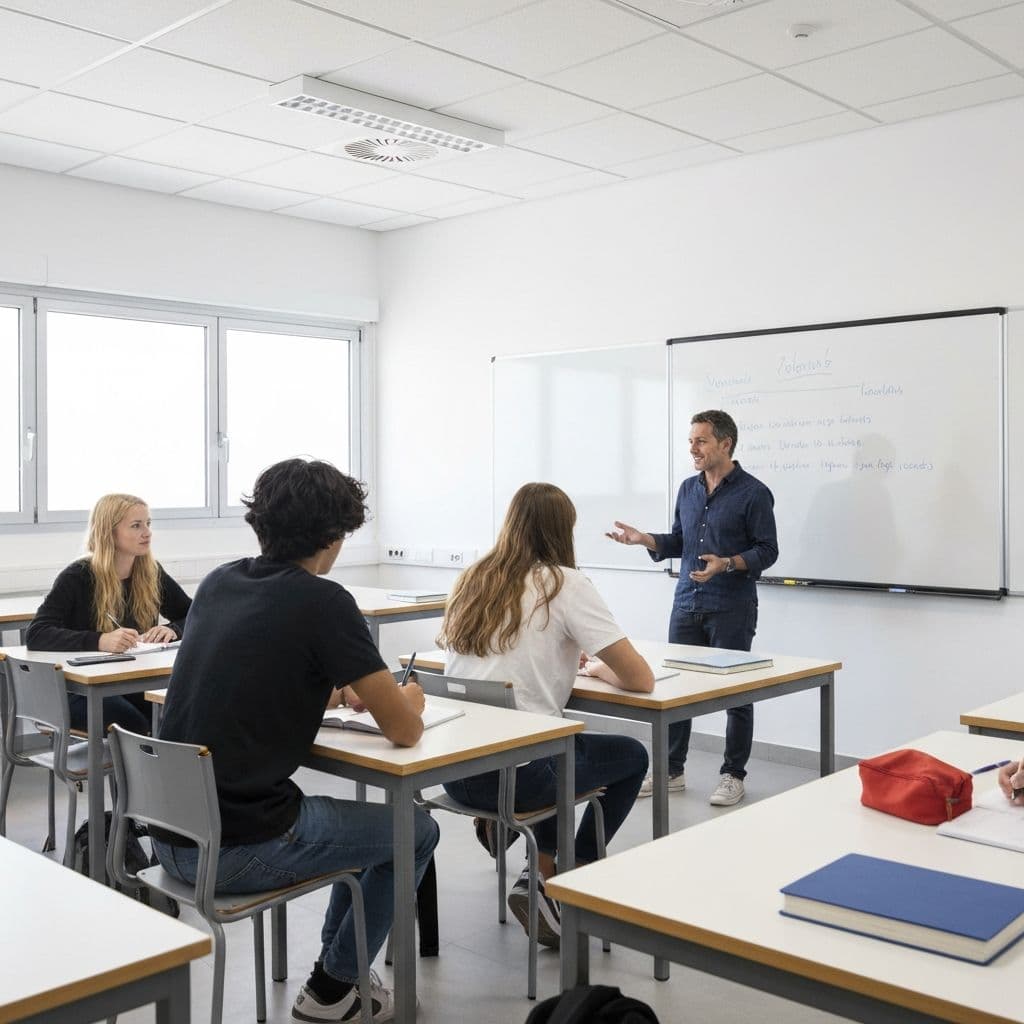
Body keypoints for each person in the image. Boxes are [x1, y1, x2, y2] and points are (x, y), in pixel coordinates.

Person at [152, 459, 438, 1024]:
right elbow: (403, 732)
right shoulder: (324, 601)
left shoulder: (219, 582)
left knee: (361, 835)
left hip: (171, 836)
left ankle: (337, 977)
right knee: (414, 830)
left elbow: (260, 680)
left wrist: (331, 696)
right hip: (236, 848)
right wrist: (412, 698)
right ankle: (336, 989)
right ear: (334, 538)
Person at [438, 482, 653, 948]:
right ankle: (560, 880)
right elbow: (640, 679)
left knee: (555, 742)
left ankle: (506, 832)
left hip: (454, 770)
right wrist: (599, 668)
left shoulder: (475, 576)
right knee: (627, 755)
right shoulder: (565, 583)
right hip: (522, 774)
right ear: (563, 530)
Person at [608, 409, 778, 807]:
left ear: (725, 443)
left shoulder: (754, 492)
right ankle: (671, 770)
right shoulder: (688, 489)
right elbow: (681, 541)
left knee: (736, 692)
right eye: (690, 442)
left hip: (731, 606)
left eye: (700, 441)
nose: (693, 449)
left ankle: (733, 775)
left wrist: (728, 563)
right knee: (678, 689)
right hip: (686, 602)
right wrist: (644, 539)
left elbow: (767, 551)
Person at [26, 493, 191, 734]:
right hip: (75, 691)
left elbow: (196, 614)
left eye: (148, 524)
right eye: (136, 526)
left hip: (123, 682)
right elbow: (37, 634)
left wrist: (172, 629)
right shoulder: (78, 576)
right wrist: (100, 640)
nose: (147, 532)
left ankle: (155, 771)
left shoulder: (150, 572)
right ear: (109, 532)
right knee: (135, 723)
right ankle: (136, 771)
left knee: (173, 713)